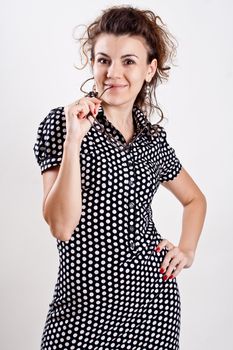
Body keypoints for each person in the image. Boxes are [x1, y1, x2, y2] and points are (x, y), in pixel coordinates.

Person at [33, 5, 207, 350]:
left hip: (153, 311)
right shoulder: (63, 123)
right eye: (103, 60)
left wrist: (186, 250)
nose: (113, 72)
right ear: (92, 63)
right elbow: (61, 226)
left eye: (128, 61)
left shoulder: (152, 139)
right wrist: (74, 139)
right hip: (81, 315)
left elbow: (194, 199)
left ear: (149, 69)